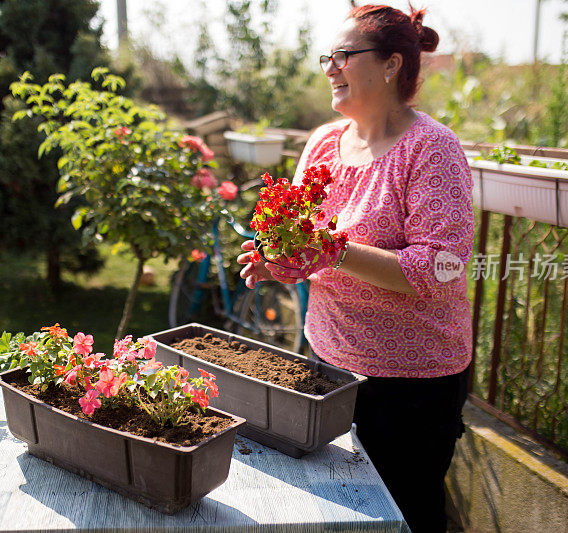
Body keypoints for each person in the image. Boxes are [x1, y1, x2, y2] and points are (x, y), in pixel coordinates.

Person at [237, 5, 473, 532]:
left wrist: (335, 250)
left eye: (343, 56)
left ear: (391, 65)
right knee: (335, 509)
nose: (329, 67)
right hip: (328, 360)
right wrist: (282, 263)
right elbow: (308, 246)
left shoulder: (432, 149)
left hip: (411, 384)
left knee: (406, 511)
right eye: (328, 57)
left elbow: (441, 271)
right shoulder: (322, 144)